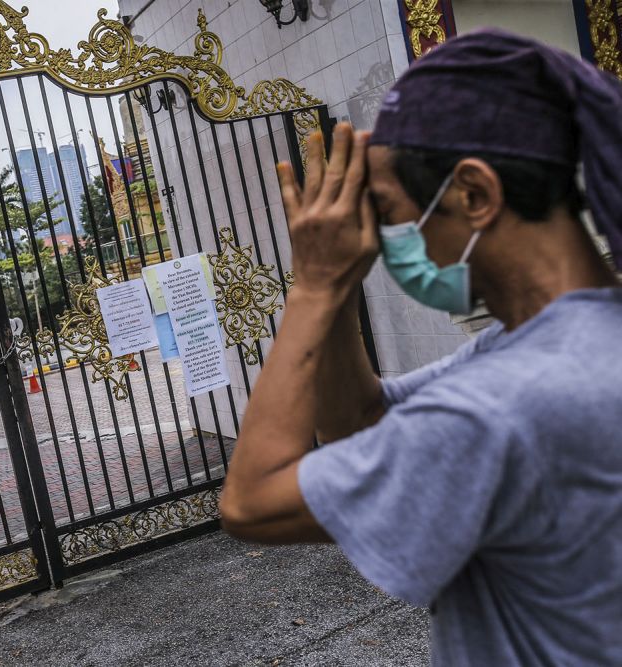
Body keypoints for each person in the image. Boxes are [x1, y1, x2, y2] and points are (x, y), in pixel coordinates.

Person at [219, 29, 622, 666]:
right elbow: (359, 422)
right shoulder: (554, 346)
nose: (382, 238)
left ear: (473, 194)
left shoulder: (502, 405)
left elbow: (252, 501)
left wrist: (314, 286)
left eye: (386, 209)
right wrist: (344, 290)